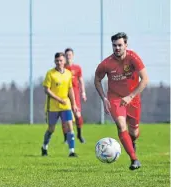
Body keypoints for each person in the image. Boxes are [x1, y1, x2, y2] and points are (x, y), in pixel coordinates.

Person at [94, 32, 148, 170]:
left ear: (126, 45)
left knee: (134, 132)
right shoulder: (106, 63)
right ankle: (134, 159)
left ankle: (132, 142)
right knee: (121, 125)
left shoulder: (133, 58)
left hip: (133, 98)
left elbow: (145, 79)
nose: (117, 48)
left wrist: (130, 96)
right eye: (114, 45)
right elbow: (97, 80)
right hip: (115, 98)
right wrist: (104, 98)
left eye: (119, 45)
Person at [41, 52, 78, 157]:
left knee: (70, 127)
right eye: (57, 61)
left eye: (61, 60)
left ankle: (71, 151)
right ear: (54, 61)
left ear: (64, 61)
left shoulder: (68, 73)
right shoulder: (50, 74)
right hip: (52, 107)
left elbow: (70, 89)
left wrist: (74, 104)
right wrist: (58, 99)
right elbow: (46, 90)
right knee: (51, 129)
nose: (59, 62)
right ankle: (44, 147)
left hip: (66, 106)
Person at [62, 48, 87, 143]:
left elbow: (81, 80)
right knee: (65, 117)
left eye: (70, 55)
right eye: (67, 55)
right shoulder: (62, 67)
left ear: (73, 56)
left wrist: (83, 92)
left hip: (75, 93)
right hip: (64, 94)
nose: (68, 57)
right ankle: (66, 138)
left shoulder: (77, 68)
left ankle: (79, 135)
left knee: (77, 114)